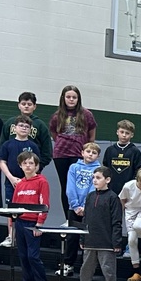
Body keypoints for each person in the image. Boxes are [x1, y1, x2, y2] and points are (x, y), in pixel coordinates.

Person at [49, 85, 97, 218]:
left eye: (74, 97)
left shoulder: (86, 114)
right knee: (66, 187)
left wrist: (87, 148)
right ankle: (68, 218)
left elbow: (91, 134)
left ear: (78, 99)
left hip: (79, 154)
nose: (71, 100)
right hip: (61, 155)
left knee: (81, 186)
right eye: (68, 97)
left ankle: (82, 215)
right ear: (63, 98)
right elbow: (54, 133)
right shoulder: (57, 115)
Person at [0, 116, 45, 248]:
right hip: (11, 181)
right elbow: (2, 162)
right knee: (11, 209)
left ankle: (24, 235)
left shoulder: (33, 146)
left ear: (30, 130)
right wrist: (11, 178)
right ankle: (10, 236)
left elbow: (36, 165)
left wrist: (26, 181)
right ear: (14, 128)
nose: (24, 128)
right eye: (21, 126)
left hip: (28, 183)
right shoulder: (7, 144)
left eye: (27, 127)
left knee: (28, 208)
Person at [75, 166, 122, 281]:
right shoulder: (90, 196)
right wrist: (82, 237)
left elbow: (117, 221)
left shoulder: (113, 198)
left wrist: (116, 242)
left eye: (98, 178)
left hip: (106, 242)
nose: (95, 180)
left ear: (107, 180)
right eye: (93, 178)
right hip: (90, 241)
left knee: (108, 270)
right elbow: (85, 219)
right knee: (86, 268)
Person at [12, 151, 51, 281]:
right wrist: (12, 227)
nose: (28, 166)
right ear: (20, 166)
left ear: (36, 166)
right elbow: (14, 207)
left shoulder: (42, 181)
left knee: (33, 256)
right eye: (25, 163)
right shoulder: (20, 184)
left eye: (31, 163)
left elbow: (44, 203)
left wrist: (39, 224)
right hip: (20, 223)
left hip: (33, 223)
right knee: (23, 256)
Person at [61, 142, 102, 275]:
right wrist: (75, 205)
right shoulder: (74, 167)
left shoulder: (98, 169)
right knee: (72, 237)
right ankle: (68, 265)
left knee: (88, 238)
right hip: (74, 208)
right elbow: (70, 187)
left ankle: (88, 268)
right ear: (82, 153)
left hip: (89, 209)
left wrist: (85, 206)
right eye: (88, 151)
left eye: (94, 153)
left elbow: (93, 188)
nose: (90, 154)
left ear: (98, 156)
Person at [0, 92, 52, 170]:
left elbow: (47, 148)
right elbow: (2, 142)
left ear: (34, 106)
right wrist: (0, 160)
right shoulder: (10, 123)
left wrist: (40, 165)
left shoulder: (40, 125)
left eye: (29, 104)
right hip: (11, 166)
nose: (26, 106)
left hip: (32, 167)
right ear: (19, 105)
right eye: (23, 104)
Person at [103, 119, 141, 196]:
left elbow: (138, 171)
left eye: (127, 133)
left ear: (132, 135)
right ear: (117, 132)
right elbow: (105, 168)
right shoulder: (110, 150)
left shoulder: (135, 151)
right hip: (111, 187)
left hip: (128, 189)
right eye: (122, 132)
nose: (124, 135)